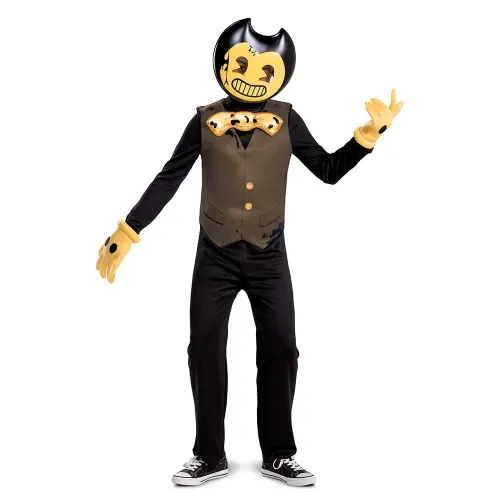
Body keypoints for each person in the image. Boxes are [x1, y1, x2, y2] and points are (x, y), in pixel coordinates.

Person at [96, 18, 404, 487]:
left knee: (281, 348)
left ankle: (279, 454)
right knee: (204, 349)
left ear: (283, 73)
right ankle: (208, 455)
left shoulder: (288, 119)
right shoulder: (203, 120)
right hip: (214, 253)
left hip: (269, 253)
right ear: (222, 64)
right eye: (241, 65)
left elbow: (327, 170)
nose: (253, 77)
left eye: (266, 69)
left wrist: (367, 137)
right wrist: (129, 228)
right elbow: (169, 177)